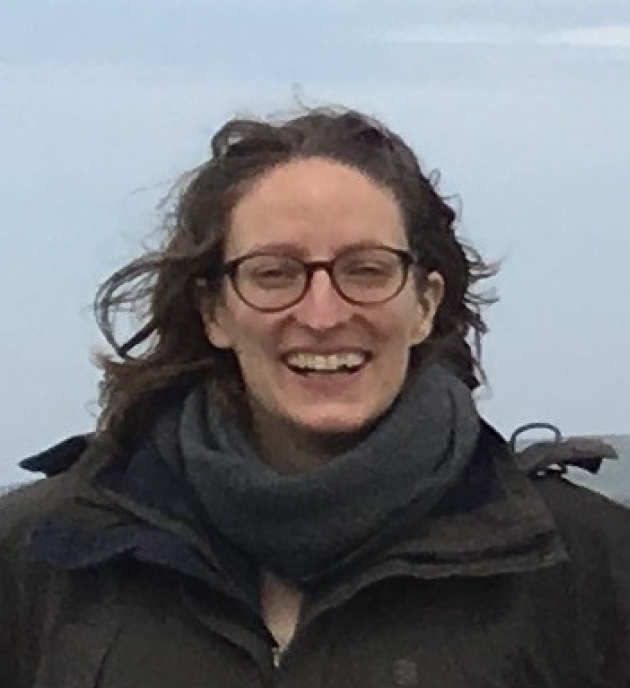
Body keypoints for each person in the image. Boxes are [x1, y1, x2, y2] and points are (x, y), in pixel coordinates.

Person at [1, 107, 629, 688]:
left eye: (367, 270)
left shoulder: (585, 561)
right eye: (274, 274)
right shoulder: (43, 553)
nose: (323, 315)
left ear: (424, 305)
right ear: (214, 311)